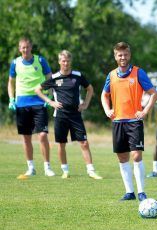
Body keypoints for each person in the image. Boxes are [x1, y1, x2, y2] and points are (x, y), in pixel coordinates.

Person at [101, 42, 157, 201]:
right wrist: (107, 110)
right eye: (119, 55)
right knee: (122, 157)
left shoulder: (138, 73)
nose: (123, 57)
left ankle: (141, 192)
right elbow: (104, 95)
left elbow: (154, 93)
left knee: (136, 155)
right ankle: (129, 192)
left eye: (125, 54)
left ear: (129, 55)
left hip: (134, 121)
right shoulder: (111, 75)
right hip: (118, 121)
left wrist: (145, 111)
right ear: (115, 56)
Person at [35, 50, 102, 180]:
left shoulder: (78, 75)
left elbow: (90, 89)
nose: (65, 63)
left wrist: (85, 104)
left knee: (84, 142)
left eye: (68, 61)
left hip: (75, 115)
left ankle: (91, 171)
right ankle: (65, 170)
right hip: (60, 115)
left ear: (70, 62)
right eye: (63, 61)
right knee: (61, 144)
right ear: (60, 62)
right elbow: (37, 89)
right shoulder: (54, 78)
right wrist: (50, 102)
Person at [8, 37, 56, 179]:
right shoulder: (15, 63)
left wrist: (50, 96)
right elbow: (10, 82)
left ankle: (47, 167)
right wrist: (11, 99)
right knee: (26, 138)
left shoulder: (40, 60)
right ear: (19, 48)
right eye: (23, 47)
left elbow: (49, 78)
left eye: (27, 47)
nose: (25, 50)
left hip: (39, 102)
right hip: (22, 103)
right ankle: (31, 168)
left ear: (31, 47)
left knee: (42, 135)